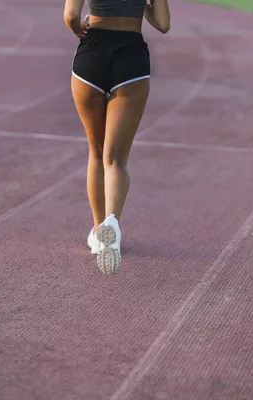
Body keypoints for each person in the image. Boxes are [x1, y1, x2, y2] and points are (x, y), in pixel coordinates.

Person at [64, 0, 171, 275]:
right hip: (131, 58)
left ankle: (100, 230)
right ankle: (113, 223)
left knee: (96, 151)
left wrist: (78, 28)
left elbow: (71, 15)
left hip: (92, 55)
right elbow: (162, 24)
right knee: (116, 159)